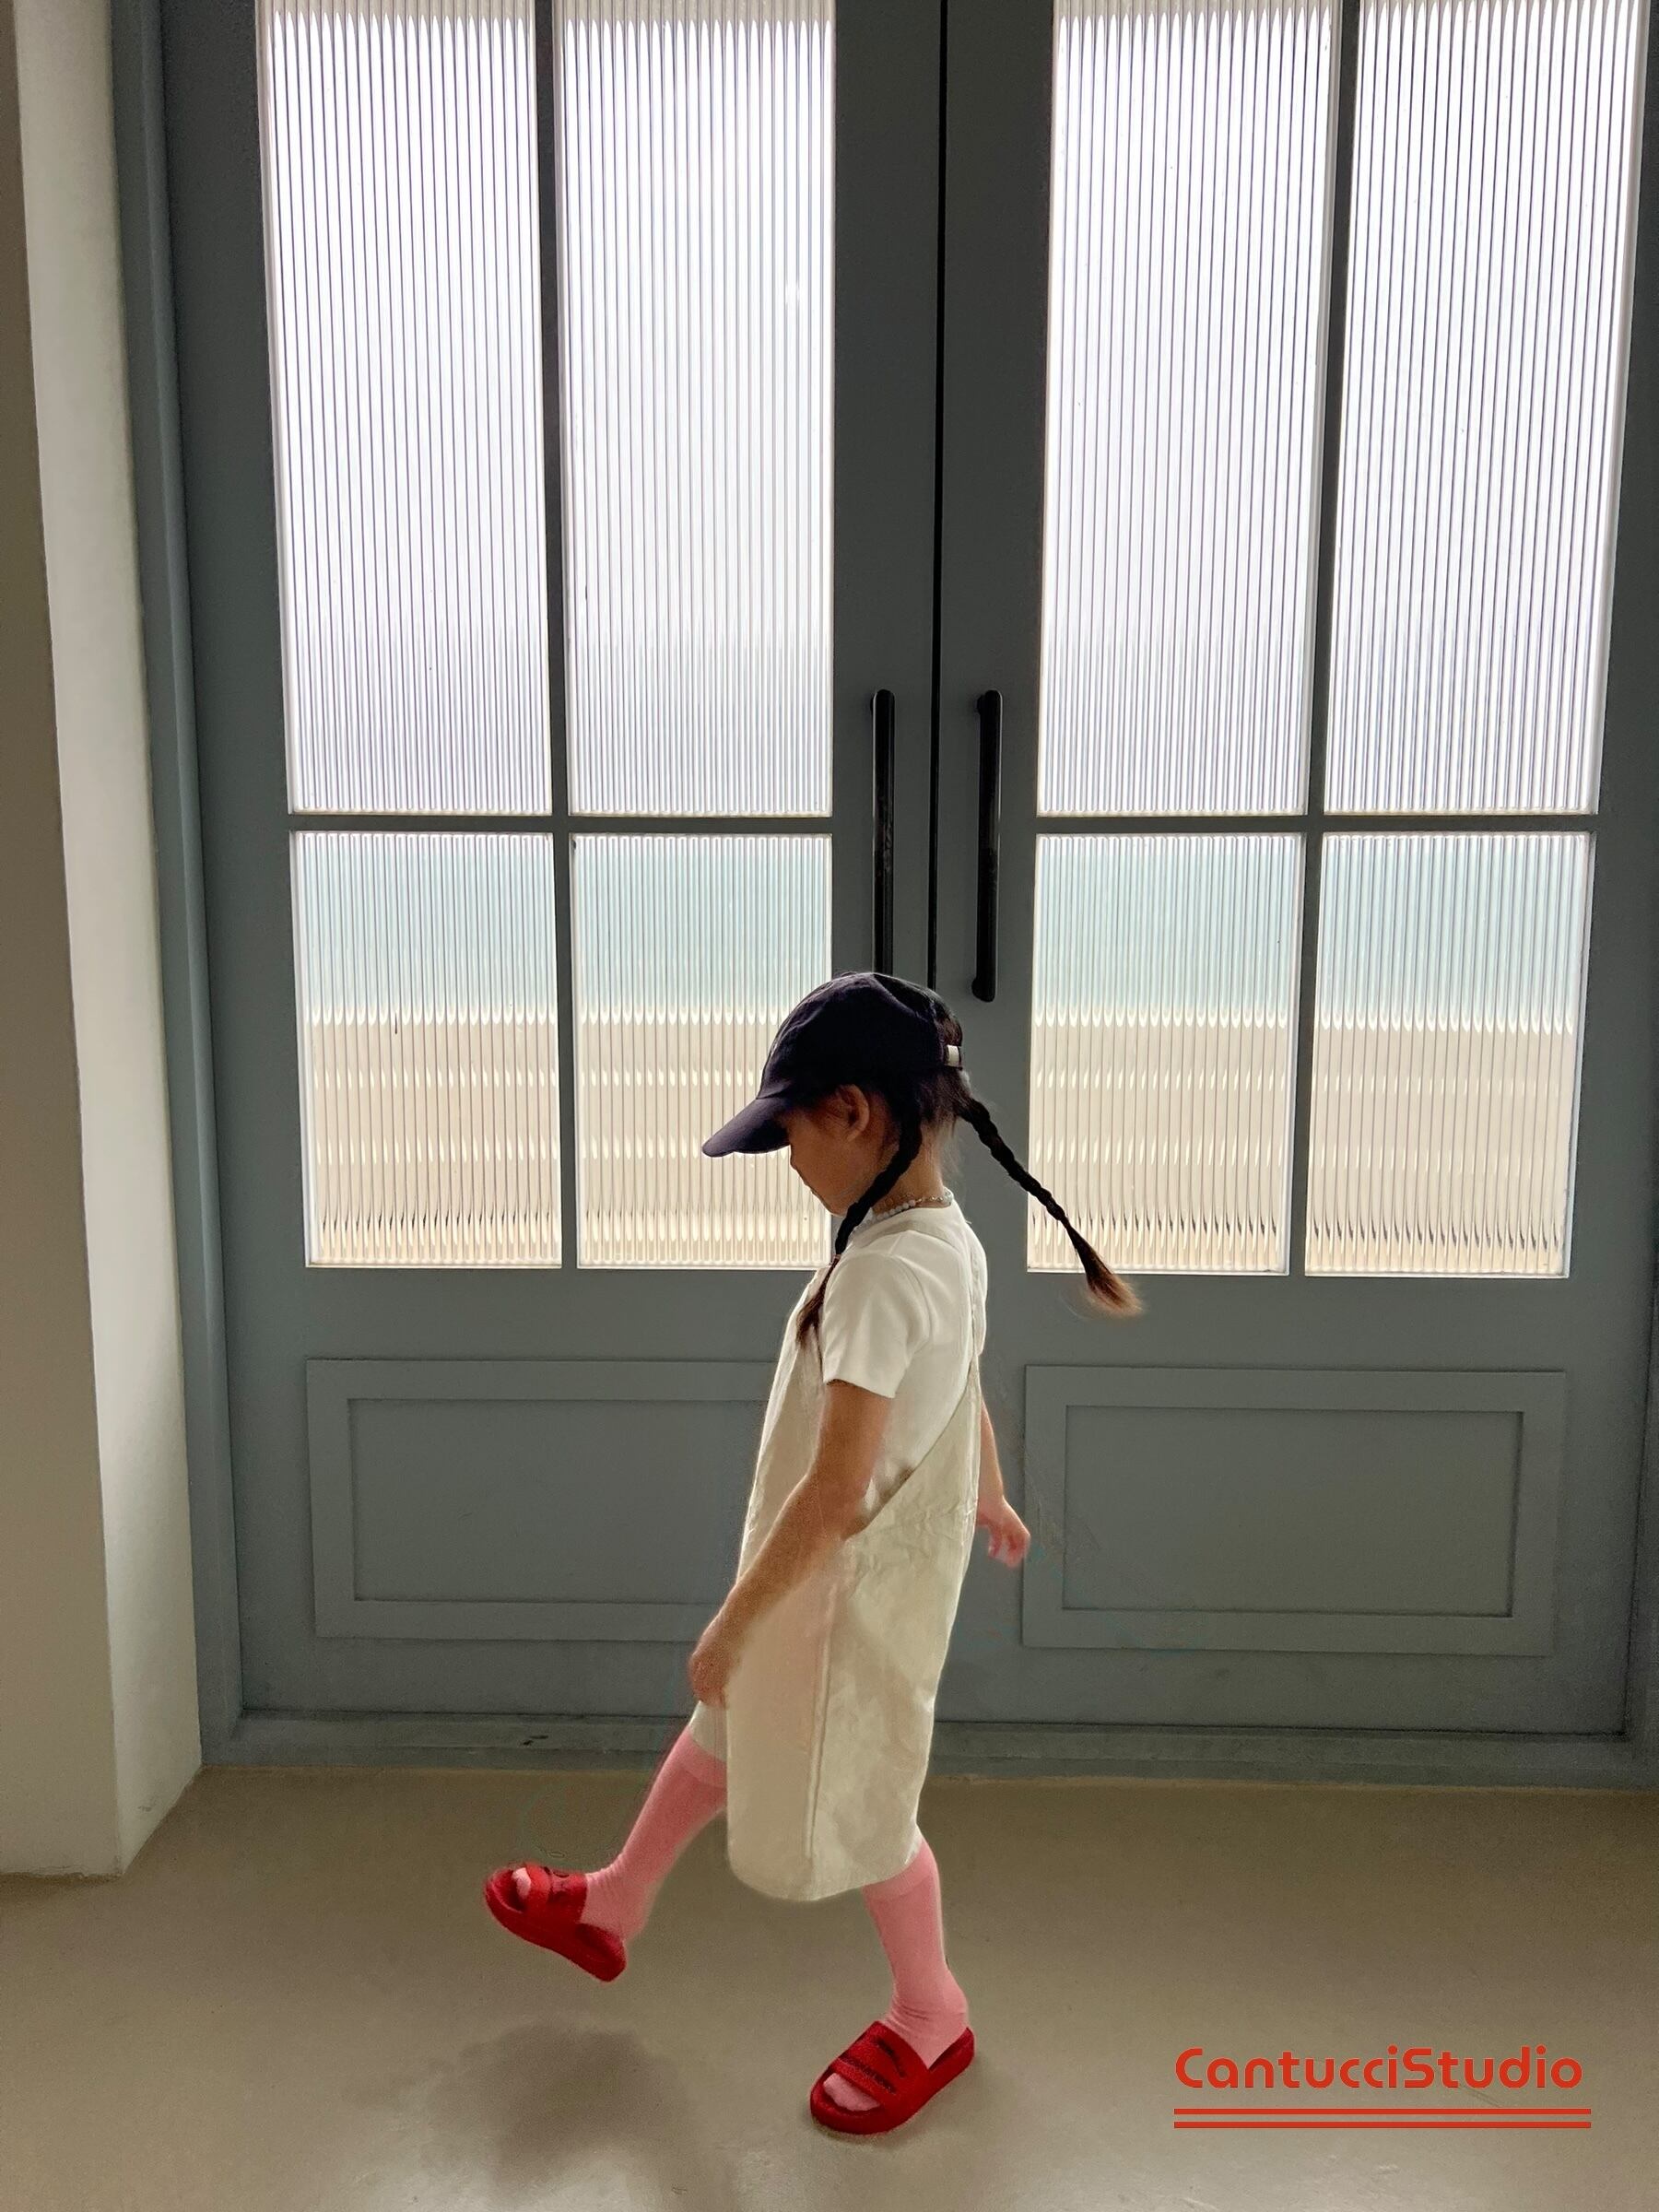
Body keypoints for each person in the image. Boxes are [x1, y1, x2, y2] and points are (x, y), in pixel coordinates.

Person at [484, 971, 1135, 2134]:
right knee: (731, 1732)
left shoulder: (885, 1272)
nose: (787, 1162)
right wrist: (988, 1488)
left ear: (853, 1112)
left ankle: (932, 2011)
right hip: (827, 1571)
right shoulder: (937, 1235)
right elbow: (959, 1380)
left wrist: (733, 1622)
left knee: (865, 1795)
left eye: (788, 1136)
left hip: (845, 1591)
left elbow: (836, 1490)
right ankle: (616, 1904)